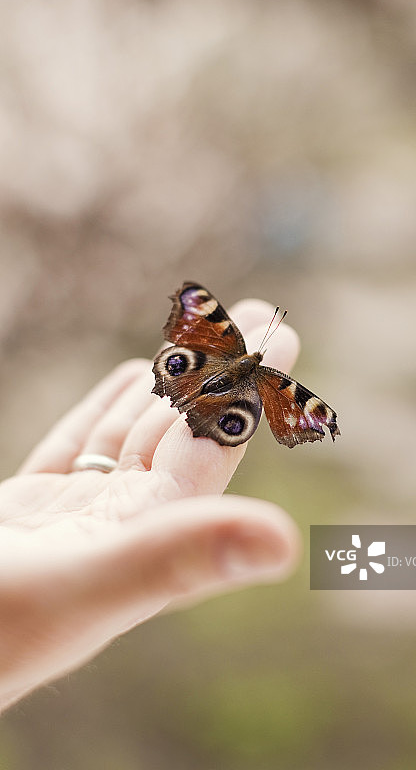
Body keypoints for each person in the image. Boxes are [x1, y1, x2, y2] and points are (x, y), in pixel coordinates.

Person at [0, 296, 301, 713]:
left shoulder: (233, 350)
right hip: (221, 387)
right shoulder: (265, 378)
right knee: (227, 409)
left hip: (201, 372)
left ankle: (199, 397)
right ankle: (209, 407)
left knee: (199, 373)